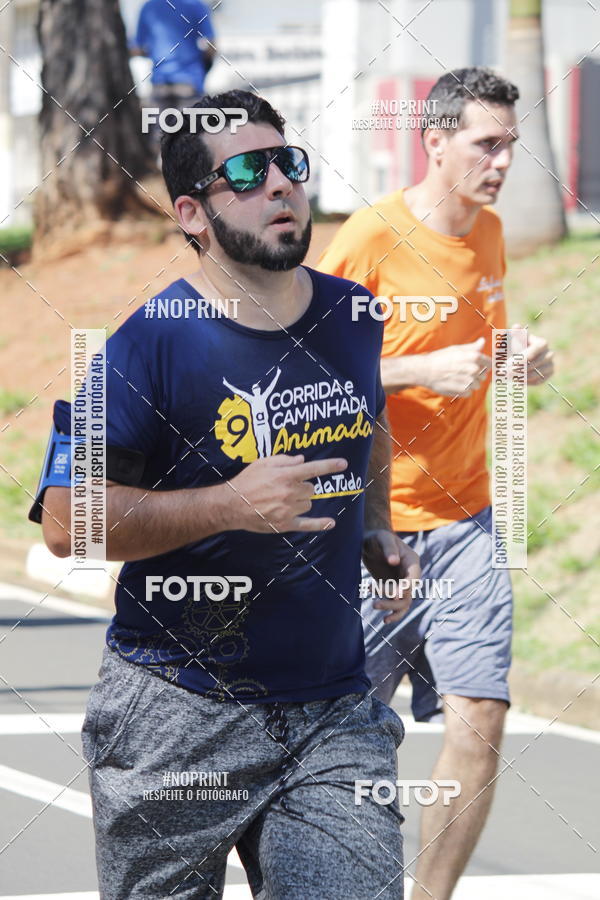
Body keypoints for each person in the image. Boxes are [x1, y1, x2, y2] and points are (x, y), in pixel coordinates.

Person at [32, 90, 420, 899]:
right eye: (246, 172)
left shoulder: (354, 314)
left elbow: (371, 424)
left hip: (332, 709)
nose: (279, 184)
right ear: (193, 214)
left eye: (289, 163)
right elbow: (70, 525)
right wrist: (229, 506)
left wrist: (381, 531)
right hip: (178, 709)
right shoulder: (142, 346)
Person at [318, 67, 555, 900]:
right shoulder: (370, 237)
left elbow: (484, 350)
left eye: (510, 147)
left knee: (481, 717)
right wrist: (417, 364)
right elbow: (311, 372)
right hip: (368, 529)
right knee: (346, 737)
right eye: (486, 144)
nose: (501, 162)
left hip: (466, 521)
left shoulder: (487, 234)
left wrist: (521, 360)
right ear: (436, 142)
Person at [131, 0, 217, 150]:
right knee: (193, 135)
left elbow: (136, 48)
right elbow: (211, 46)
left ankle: (163, 167)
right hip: (190, 81)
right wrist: (204, 66)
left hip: (159, 83)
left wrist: (157, 53)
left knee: (160, 138)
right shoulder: (196, 5)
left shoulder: (149, 7)